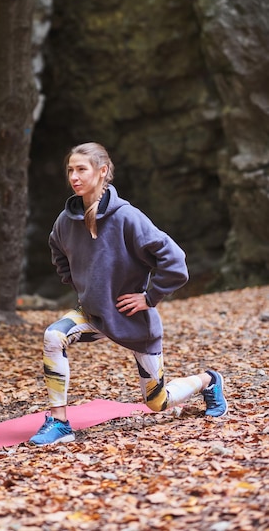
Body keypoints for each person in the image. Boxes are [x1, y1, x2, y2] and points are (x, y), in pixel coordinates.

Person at [29, 142, 228, 446]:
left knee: (157, 402)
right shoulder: (65, 221)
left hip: (133, 320)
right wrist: (80, 283)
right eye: (70, 170)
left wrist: (148, 298)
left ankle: (209, 381)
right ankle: (59, 423)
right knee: (54, 336)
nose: (74, 176)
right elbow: (58, 250)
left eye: (81, 169)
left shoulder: (128, 218)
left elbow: (175, 261)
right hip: (92, 315)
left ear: (102, 171)